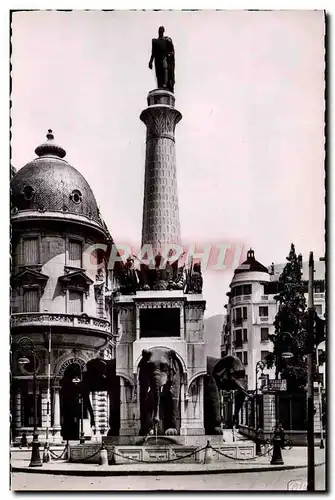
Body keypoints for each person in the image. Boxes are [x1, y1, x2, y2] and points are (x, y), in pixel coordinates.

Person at [148, 26, 175, 93]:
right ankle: (161, 87)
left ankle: (165, 86)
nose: (160, 32)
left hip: (164, 59)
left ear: (163, 32)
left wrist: (170, 55)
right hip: (157, 61)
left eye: (161, 31)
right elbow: (153, 52)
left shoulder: (166, 41)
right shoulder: (155, 41)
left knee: (164, 71)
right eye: (159, 31)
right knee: (158, 75)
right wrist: (150, 61)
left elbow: (171, 52)